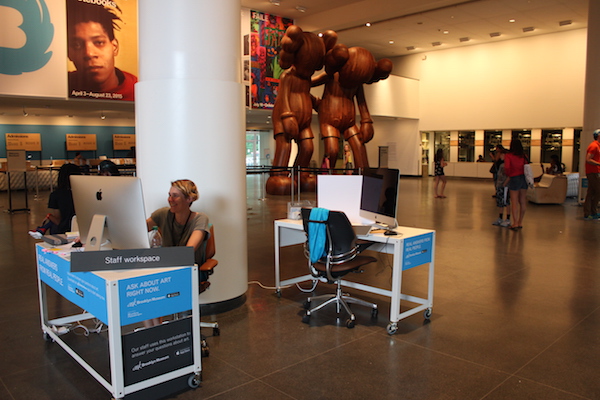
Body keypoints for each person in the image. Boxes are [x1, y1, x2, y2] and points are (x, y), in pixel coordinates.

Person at [66, 0, 137, 100]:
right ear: (69, 53)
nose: (89, 53)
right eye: (77, 45)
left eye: (99, 42)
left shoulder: (138, 91)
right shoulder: (59, 86)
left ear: (115, 47)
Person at [29, 164, 81, 238]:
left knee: (52, 221)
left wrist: (49, 216)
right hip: (81, 228)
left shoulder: (56, 195)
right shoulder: (82, 193)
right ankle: (41, 230)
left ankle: (41, 229)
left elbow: (58, 221)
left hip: (64, 230)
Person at [504, 139, 528, 230]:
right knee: (522, 201)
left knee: (514, 201)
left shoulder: (509, 156)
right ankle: (520, 222)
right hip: (523, 178)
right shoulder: (524, 156)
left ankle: (515, 223)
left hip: (514, 178)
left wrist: (509, 175)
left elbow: (507, 167)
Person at [583, 129, 600, 220]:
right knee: (597, 191)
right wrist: (598, 163)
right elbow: (588, 159)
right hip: (593, 172)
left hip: (596, 171)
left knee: (592, 191)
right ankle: (590, 212)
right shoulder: (594, 146)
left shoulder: (598, 146)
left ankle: (591, 212)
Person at [492, 147, 511, 227]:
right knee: (500, 202)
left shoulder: (507, 165)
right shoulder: (501, 165)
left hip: (505, 186)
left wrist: (505, 184)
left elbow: (509, 175)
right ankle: (500, 217)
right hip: (500, 185)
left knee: (506, 202)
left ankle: (508, 218)